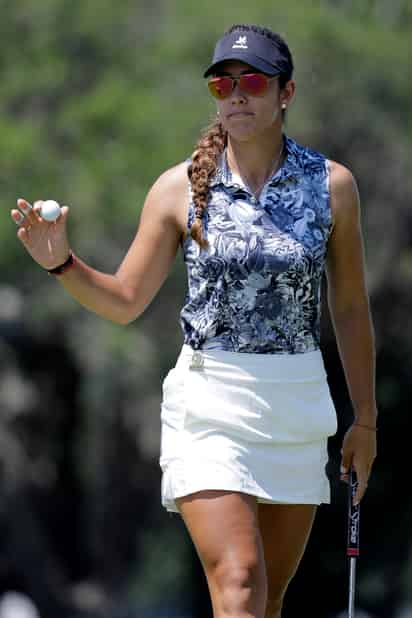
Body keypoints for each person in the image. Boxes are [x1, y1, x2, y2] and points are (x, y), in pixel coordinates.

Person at [11, 23, 377, 618]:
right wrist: (62, 264)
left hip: (297, 401)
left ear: (285, 93)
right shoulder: (179, 188)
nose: (236, 95)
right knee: (239, 583)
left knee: (268, 602)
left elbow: (351, 305)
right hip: (211, 399)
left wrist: (366, 419)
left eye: (252, 81)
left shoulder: (332, 186)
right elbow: (125, 300)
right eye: (222, 85)